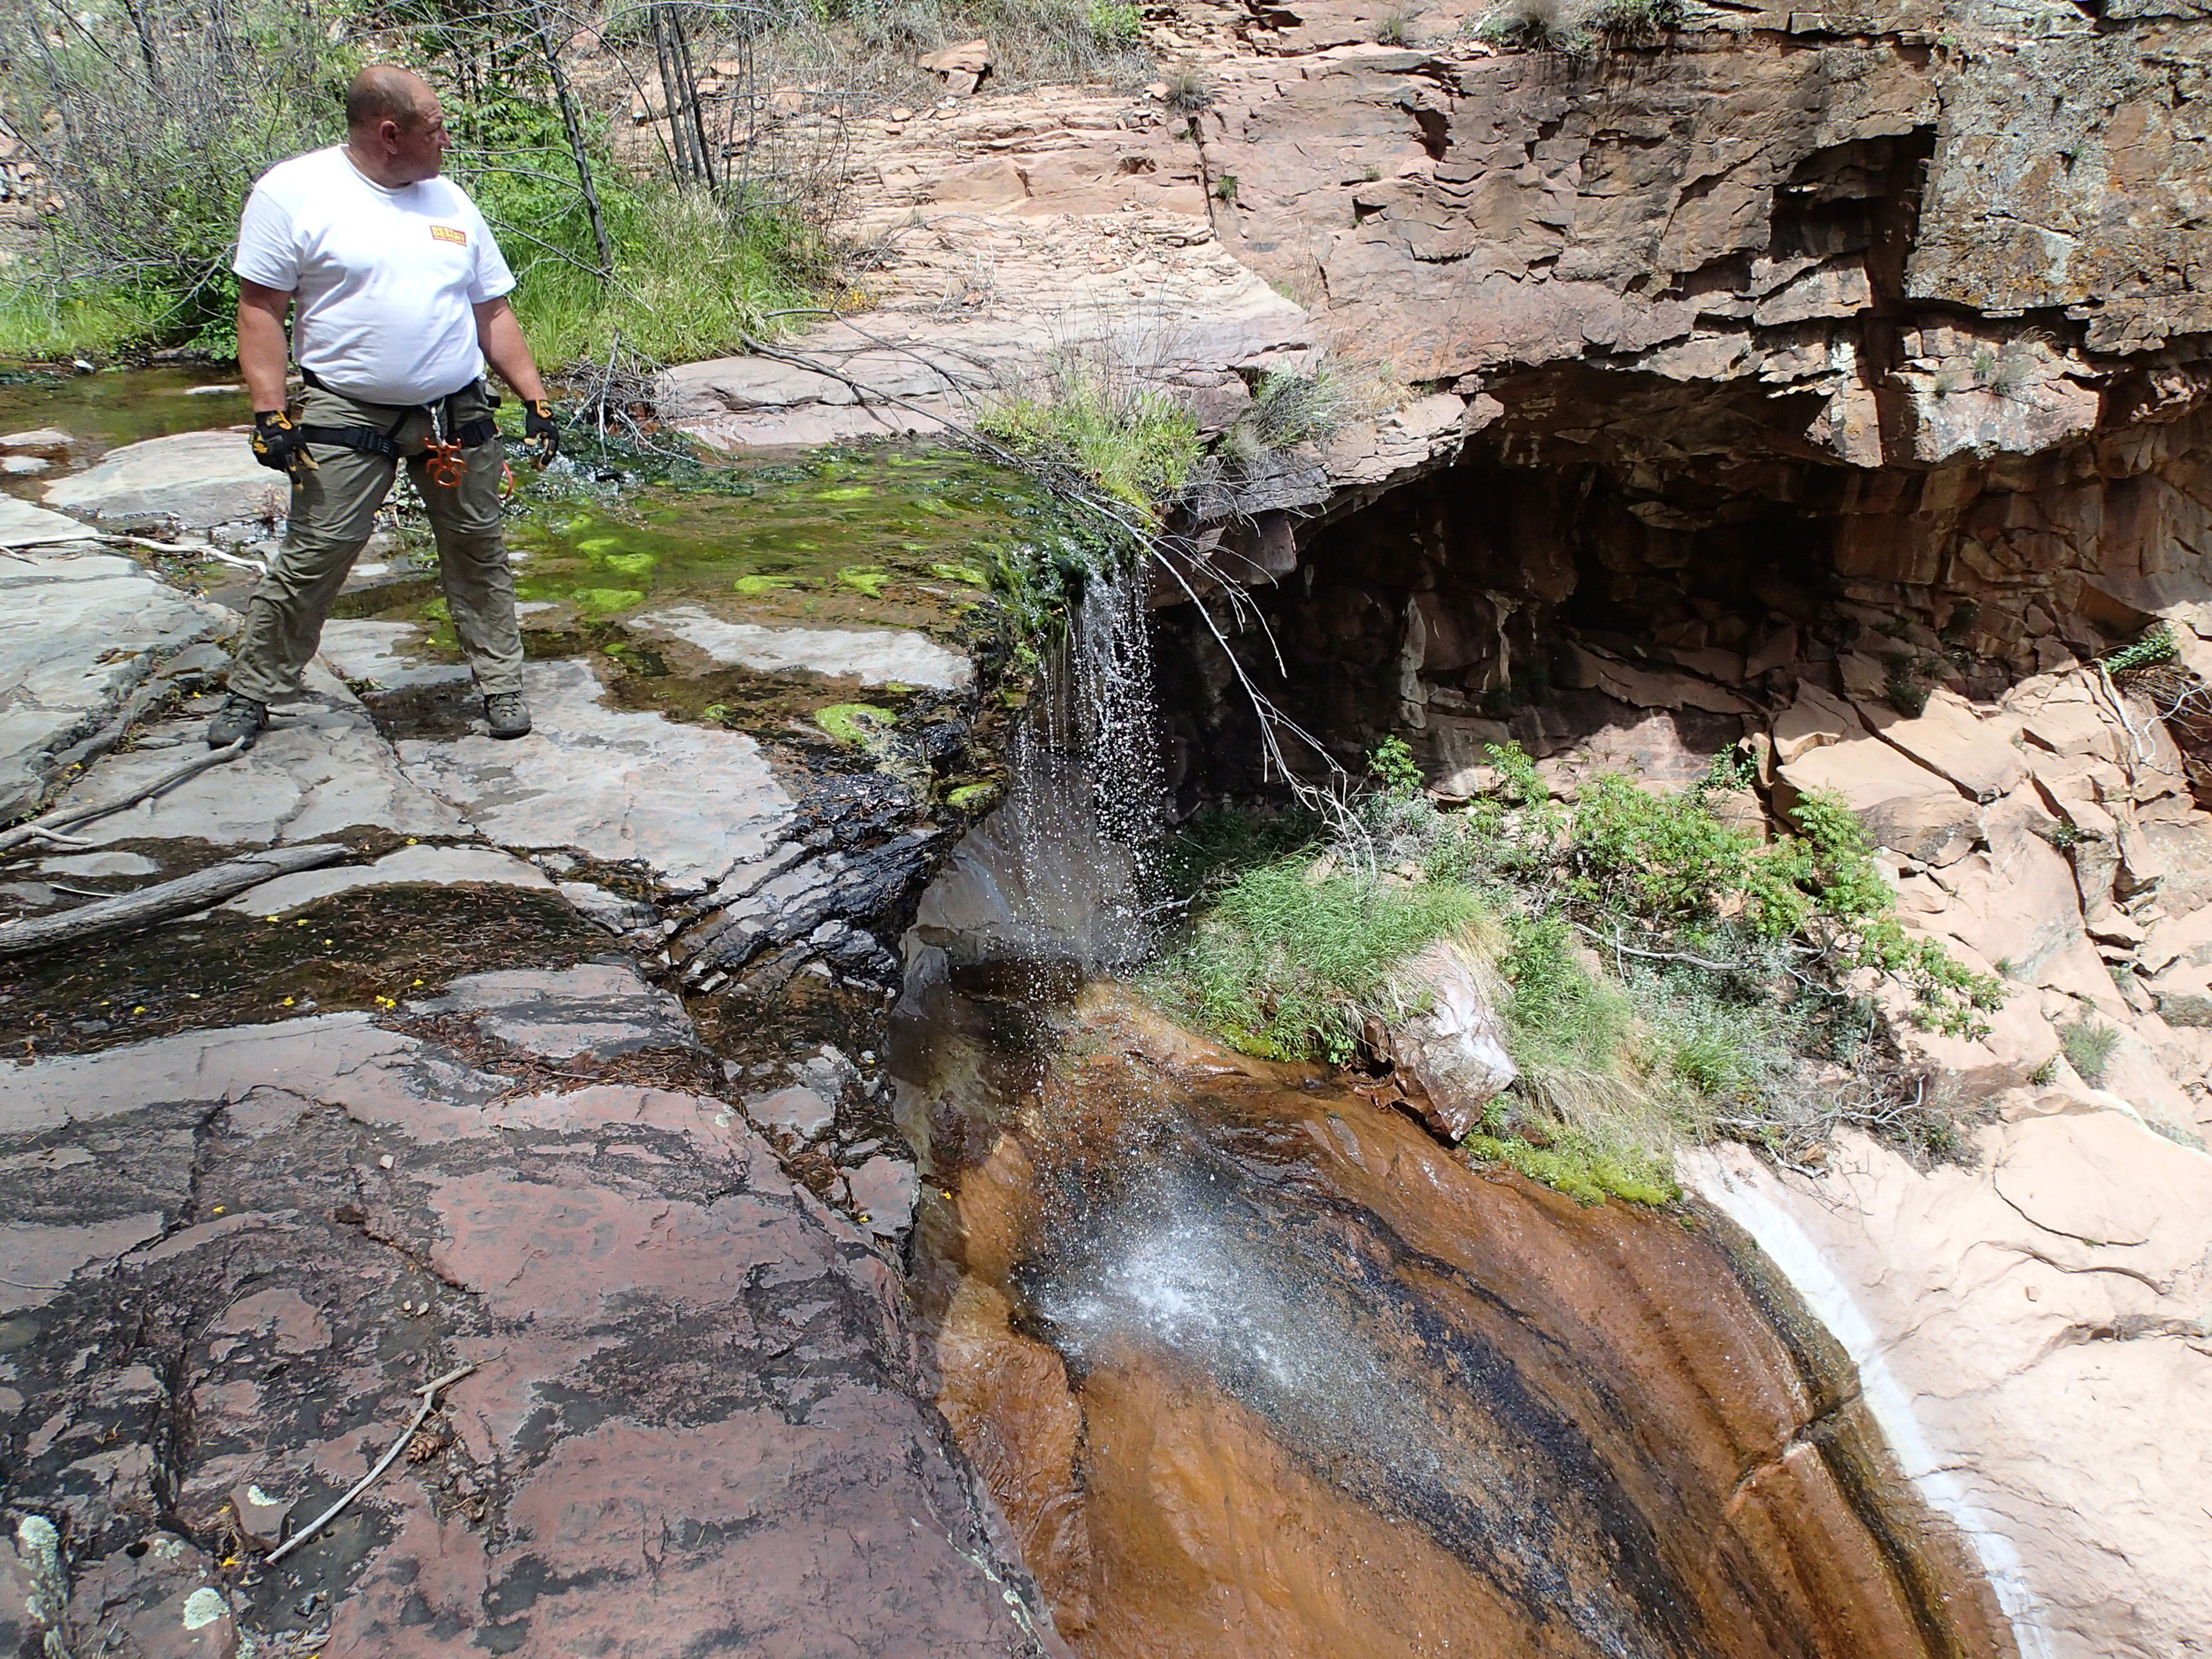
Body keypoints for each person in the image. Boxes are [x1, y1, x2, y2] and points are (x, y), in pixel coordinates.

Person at [211, 63, 559, 748]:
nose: (448, 139)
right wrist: (269, 412)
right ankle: (252, 693)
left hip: (452, 412)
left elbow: (491, 308)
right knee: (318, 550)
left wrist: (536, 399)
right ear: (390, 133)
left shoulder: (451, 201)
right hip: (347, 409)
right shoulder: (294, 194)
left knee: (477, 547)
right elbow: (260, 309)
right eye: (436, 127)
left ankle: (500, 686)